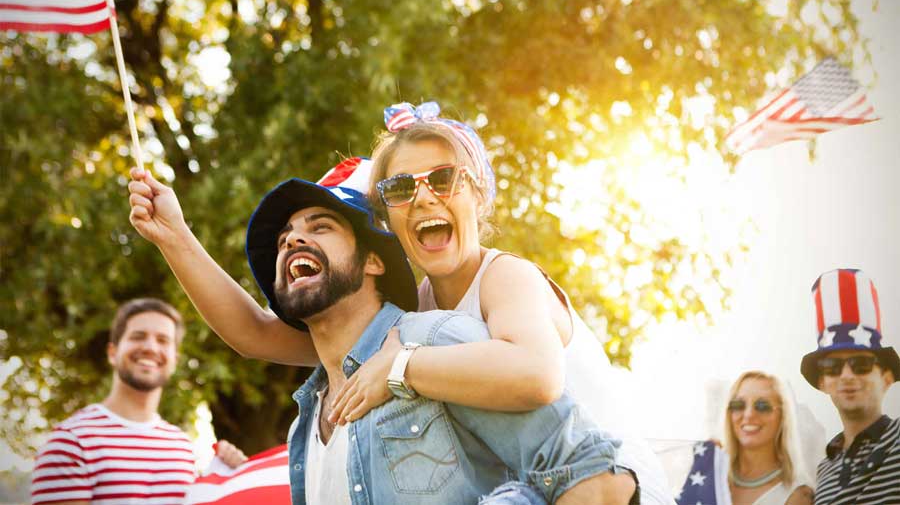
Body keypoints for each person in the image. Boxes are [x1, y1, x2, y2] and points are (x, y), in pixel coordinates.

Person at [129, 157, 629, 503]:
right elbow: (250, 332)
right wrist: (172, 235)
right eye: (284, 238)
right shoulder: (306, 425)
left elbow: (591, 472)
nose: (293, 238)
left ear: (373, 261)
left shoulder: (434, 340)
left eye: (320, 225)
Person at [333, 101, 671, 504]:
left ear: (477, 196)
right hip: (528, 490)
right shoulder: (414, 313)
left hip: (611, 484)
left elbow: (538, 376)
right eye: (401, 189)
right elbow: (275, 336)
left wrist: (401, 365)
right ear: (387, 217)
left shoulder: (505, 277)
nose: (423, 198)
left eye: (443, 179)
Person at [30, 298, 247, 505]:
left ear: (175, 360)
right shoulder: (71, 441)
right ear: (112, 353)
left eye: (163, 340)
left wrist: (233, 474)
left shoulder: (182, 447)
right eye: (138, 336)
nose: (151, 348)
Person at [799, 268, 900, 505]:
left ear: (886, 378)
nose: (846, 375)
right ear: (823, 382)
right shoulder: (823, 470)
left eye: (861, 364)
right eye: (833, 366)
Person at [722, 371, 813, 505]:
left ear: (782, 417)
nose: (748, 415)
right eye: (738, 405)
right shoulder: (710, 482)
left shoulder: (798, 494)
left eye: (762, 406)